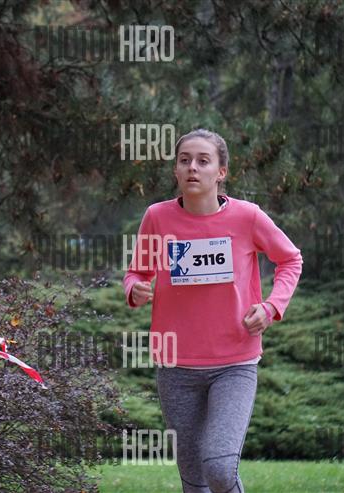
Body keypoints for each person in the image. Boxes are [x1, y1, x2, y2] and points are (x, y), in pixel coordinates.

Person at [122, 129, 302, 493]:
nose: (192, 167)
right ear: (175, 170)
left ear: (221, 172)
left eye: (203, 161)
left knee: (219, 467)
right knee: (194, 482)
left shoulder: (247, 217)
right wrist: (134, 289)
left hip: (234, 363)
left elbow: (290, 259)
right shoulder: (157, 217)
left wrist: (271, 307)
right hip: (176, 365)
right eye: (184, 160)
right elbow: (137, 272)